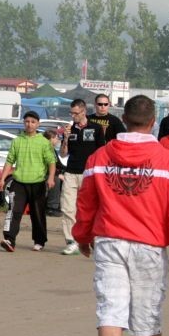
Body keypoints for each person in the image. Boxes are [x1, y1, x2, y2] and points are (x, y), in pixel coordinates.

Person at [73, 95, 169, 336]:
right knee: (147, 310)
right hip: (148, 244)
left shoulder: (99, 158)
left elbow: (86, 202)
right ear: (153, 122)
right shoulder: (168, 162)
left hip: (110, 241)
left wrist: (82, 235)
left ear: (123, 120)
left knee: (110, 309)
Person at [0, 111, 56, 252]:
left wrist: (50, 178)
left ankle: (39, 241)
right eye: (27, 122)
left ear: (38, 124)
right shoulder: (17, 141)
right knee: (14, 211)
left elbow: (51, 162)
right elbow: (10, 161)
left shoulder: (44, 142)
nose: (29, 124)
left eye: (33, 122)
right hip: (19, 183)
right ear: (24, 123)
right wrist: (2, 178)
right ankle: (9, 240)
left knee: (37, 213)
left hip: (37, 183)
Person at [58, 99, 105, 256]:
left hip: (89, 174)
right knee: (67, 208)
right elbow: (63, 153)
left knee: (89, 209)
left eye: (76, 113)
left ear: (84, 112)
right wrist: (65, 138)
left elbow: (102, 152)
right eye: (71, 113)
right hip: (71, 172)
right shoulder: (69, 129)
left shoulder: (96, 128)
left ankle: (92, 237)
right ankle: (72, 241)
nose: (73, 116)